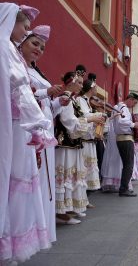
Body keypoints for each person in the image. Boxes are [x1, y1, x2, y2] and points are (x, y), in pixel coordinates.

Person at [0, 3, 58, 263]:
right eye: (24, 26)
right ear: (12, 22)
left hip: (18, 124)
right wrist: (37, 127)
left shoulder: (9, 50)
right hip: (14, 126)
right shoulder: (6, 50)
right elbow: (21, 92)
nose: (26, 30)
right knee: (12, 181)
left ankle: (10, 240)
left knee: (16, 184)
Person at [20, 24, 70, 243]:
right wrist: (45, 92)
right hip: (28, 132)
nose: (39, 49)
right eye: (34, 43)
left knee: (43, 178)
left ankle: (41, 230)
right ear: (21, 43)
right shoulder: (17, 67)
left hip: (44, 131)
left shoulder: (36, 71)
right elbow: (21, 94)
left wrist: (58, 101)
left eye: (42, 46)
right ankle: (26, 230)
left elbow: (46, 106)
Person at [55, 72, 102, 223]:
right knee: (65, 177)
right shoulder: (66, 99)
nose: (82, 86)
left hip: (73, 144)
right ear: (72, 82)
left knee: (73, 177)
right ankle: (60, 212)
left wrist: (91, 121)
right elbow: (70, 122)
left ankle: (69, 208)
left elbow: (77, 121)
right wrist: (91, 119)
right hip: (66, 144)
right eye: (80, 83)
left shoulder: (73, 100)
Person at [77, 78, 103, 205]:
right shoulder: (80, 100)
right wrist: (96, 116)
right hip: (84, 141)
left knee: (88, 170)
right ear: (91, 88)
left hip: (90, 140)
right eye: (95, 87)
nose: (97, 89)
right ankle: (82, 198)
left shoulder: (86, 101)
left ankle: (85, 198)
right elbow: (83, 117)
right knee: (84, 170)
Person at [114, 92, 138, 197]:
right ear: (130, 99)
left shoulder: (118, 107)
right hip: (125, 138)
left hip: (121, 138)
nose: (133, 105)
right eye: (134, 102)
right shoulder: (124, 108)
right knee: (128, 165)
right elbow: (122, 121)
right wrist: (134, 124)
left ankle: (124, 188)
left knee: (126, 165)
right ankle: (124, 189)